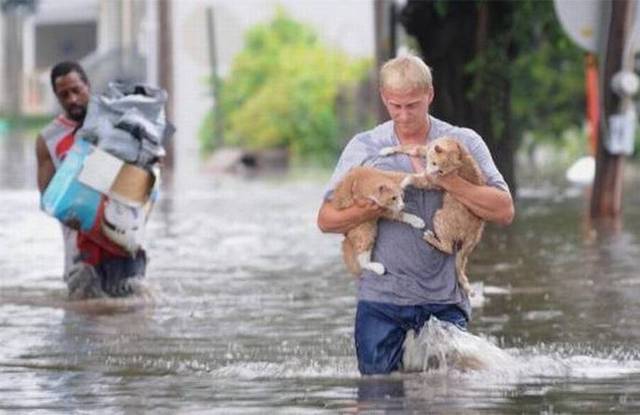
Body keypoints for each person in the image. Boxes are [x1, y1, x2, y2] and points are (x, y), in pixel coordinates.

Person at [316, 54, 515, 375]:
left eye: (413, 105)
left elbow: (504, 210)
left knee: (450, 401)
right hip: (381, 301)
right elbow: (325, 220)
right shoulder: (365, 147)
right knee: (378, 398)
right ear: (384, 98)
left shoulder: (461, 144)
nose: (404, 115)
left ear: (430, 95)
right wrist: (363, 209)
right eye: (396, 106)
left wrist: (448, 181)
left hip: (445, 300)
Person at [36, 61, 147, 300]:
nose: (72, 99)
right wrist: (66, 212)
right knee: (85, 323)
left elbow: (148, 177)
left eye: (77, 90)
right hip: (80, 250)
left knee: (134, 317)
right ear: (57, 97)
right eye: (64, 95)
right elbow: (46, 199)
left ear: (88, 86)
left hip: (123, 240)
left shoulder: (118, 124)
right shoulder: (49, 139)